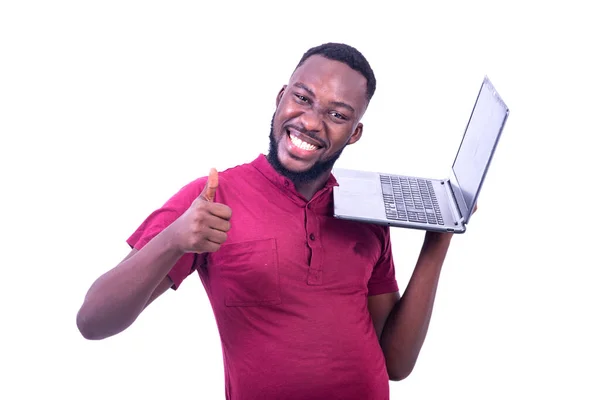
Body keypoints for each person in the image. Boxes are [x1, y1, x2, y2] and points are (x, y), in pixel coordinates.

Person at [76, 42, 465, 400]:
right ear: (281, 99)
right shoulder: (213, 197)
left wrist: (439, 240)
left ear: (354, 133)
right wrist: (174, 239)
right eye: (303, 98)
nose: (311, 123)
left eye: (337, 114)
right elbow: (93, 321)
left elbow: (396, 364)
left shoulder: (364, 210)